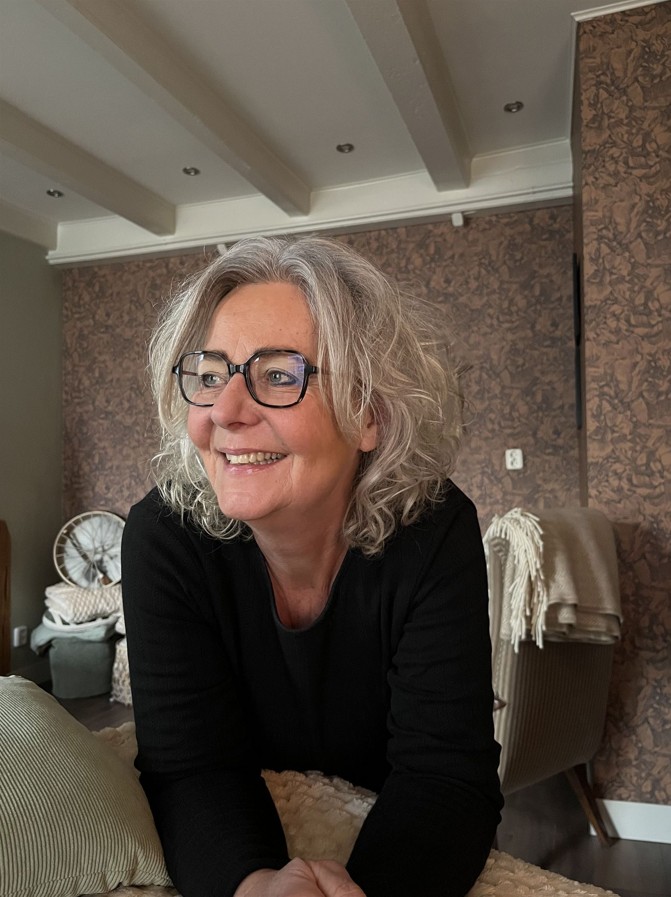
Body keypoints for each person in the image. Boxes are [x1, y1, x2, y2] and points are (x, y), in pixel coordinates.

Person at [122, 235, 502, 897]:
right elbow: (189, 767)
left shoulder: (435, 529)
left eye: (278, 375)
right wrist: (252, 885)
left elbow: (445, 776)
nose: (224, 412)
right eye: (209, 375)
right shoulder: (163, 538)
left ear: (369, 413)